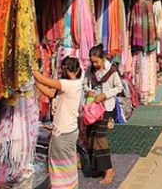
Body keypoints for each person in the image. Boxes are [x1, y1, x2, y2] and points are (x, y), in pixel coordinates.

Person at [33, 57, 83, 189]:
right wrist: (35, 82)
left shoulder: (68, 84)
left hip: (63, 132)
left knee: (58, 165)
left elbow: (44, 80)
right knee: (67, 163)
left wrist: (30, 67)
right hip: (69, 131)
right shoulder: (75, 84)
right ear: (77, 70)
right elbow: (50, 93)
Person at [83, 44, 124, 184]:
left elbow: (119, 87)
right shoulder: (90, 70)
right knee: (90, 135)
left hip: (106, 108)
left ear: (103, 58)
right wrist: (88, 90)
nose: (94, 64)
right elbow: (84, 84)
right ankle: (97, 167)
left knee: (100, 137)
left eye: (96, 61)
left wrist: (105, 95)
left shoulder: (111, 71)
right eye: (92, 61)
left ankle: (109, 170)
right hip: (93, 108)